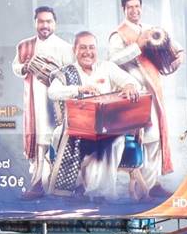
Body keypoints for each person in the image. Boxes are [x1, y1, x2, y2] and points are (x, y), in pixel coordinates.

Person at [46, 33, 143, 199]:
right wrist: (78, 90)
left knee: (115, 142)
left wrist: (129, 86)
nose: (87, 52)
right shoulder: (67, 72)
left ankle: (100, 194)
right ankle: (76, 187)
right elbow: (52, 92)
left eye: (91, 47)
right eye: (83, 47)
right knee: (58, 135)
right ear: (74, 50)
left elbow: (134, 82)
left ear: (96, 50)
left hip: (106, 128)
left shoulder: (107, 67)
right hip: (76, 127)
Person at [107, 0, 183, 200]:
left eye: (137, 6)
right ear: (124, 9)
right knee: (144, 140)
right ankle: (144, 189)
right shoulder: (118, 34)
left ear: (141, 8)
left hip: (155, 93)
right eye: (130, 7)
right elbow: (112, 61)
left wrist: (180, 55)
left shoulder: (150, 29)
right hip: (135, 96)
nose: (134, 10)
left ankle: (152, 183)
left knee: (156, 139)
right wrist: (137, 46)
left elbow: (172, 45)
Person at [11, 5, 75, 199]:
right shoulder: (25, 46)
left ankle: (61, 187)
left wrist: (53, 73)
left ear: (54, 23)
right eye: (41, 21)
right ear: (35, 23)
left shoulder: (64, 47)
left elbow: (72, 75)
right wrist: (26, 67)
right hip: (35, 105)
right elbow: (16, 67)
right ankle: (38, 184)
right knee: (40, 143)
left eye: (48, 21)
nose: (44, 25)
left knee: (58, 143)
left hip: (57, 105)